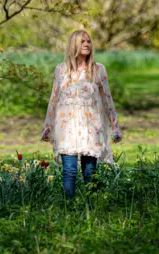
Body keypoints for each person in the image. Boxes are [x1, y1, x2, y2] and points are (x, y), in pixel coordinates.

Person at [40, 30, 123, 200]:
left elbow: (107, 99)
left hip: (91, 127)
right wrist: (48, 126)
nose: (86, 44)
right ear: (73, 45)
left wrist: (114, 126)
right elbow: (53, 99)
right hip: (66, 128)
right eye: (82, 41)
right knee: (69, 170)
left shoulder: (98, 70)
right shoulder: (61, 70)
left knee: (89, 172)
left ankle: (92, 209)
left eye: (89, 42)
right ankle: (69, 210)